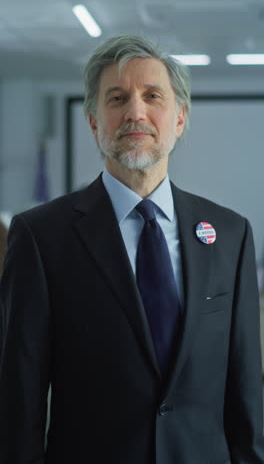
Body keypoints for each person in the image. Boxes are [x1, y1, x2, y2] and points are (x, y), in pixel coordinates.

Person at [0, 35, 263, 464]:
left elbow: (246, 389)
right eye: (117, 97)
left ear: (179, 119)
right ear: (93, 122)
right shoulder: (40, 237)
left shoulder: (230, 234)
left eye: (152, 96)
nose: (135, 112)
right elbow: (20, 397)